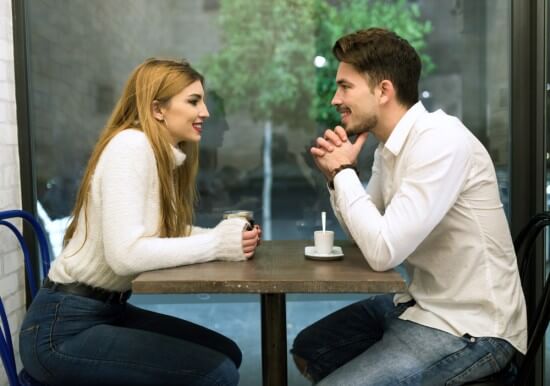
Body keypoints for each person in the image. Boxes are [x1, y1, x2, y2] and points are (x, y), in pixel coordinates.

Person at [291, 28, 527, 385]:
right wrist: (339, 178)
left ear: (383, 90)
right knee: (311, 348)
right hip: (419, 304)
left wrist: (343, 172)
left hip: (472, 327)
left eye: (345, 87)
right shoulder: (391, 148)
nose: (335, 99)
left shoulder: (440, 141)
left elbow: (383, 252)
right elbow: (366, 233)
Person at [19, 58, 261, 386]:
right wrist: (218, 244)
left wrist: (227, 237)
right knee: (215, 373)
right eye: (194, 101)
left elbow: (162, 234)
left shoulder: (155, 153)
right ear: (158, 109)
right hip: (61, 331)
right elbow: (126, 255)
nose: (205, 112)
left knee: (226, 352)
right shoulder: (131, 147)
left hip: (105, 312)